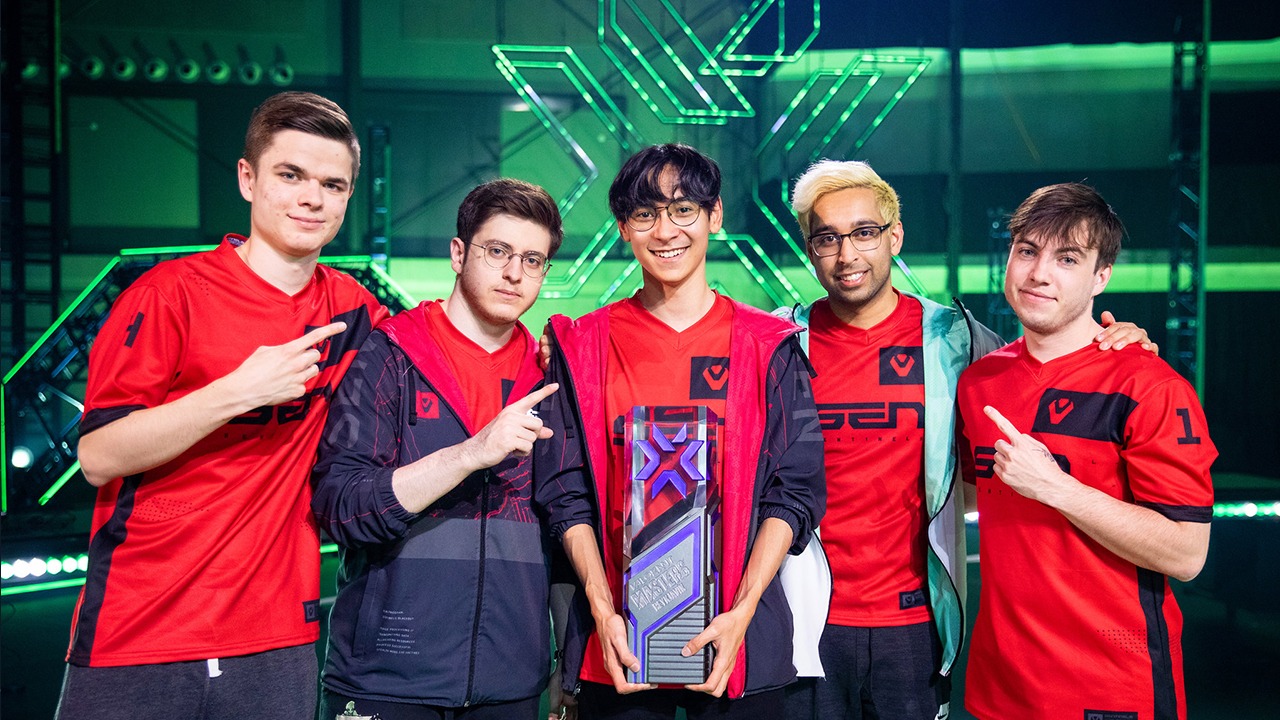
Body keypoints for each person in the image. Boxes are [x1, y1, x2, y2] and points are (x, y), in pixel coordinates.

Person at [778, 161, 1157, 720]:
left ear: (895, 236)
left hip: (916, 624)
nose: (847, 254)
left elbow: (1039, 372)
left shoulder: (958, 342)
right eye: (827, 238)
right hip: (799, 617)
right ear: (810, 249)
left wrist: (1115, 345)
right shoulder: (777, 344)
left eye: (864, 233)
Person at [57, 92, 387, 720]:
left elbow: (447, 346)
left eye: (332, 184)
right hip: (140, 631)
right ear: (247, 179)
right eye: (290, 175)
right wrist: (236, 392)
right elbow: (98, 456)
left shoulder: (354, 311)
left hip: (275, 637)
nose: (312, 198)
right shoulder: (170, 294)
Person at [535, 143, 826, 719]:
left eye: (684, 209)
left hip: (739, 639)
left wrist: (743, 610)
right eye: (645, 214)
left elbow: (794, 492)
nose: (665, 231)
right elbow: (563, 492)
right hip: (616, 644)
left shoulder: (768, 346)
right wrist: (602, 610)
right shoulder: (583, 346)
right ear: (624, 227)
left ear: (714, 216)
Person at [956, 182, 1215, 718]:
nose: (1039, 273)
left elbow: (1187, 555)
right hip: (1000, 690)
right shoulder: (980, 381)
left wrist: (1057, 488)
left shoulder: (1149, 386)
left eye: (1067, 259)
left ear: (1101, 277)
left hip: (1111, 692)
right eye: (1027, 251)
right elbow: (960, 495)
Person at [310, 178, 564, 719]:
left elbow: (565, 525)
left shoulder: (548, 376)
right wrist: (470, 453)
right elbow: (341, 508)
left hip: (511, 682)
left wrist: (566, 654)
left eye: (533, 260)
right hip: (388, 678)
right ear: (458, 253)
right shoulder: (391, 355)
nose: (514, 273)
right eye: (497, 251)